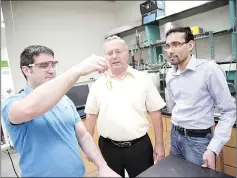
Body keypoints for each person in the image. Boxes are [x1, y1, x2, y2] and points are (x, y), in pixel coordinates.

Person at [1, 45, 121, 177]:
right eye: (44, 65)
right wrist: (77, 70)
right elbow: (30, 109)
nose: (51, 70)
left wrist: (103, 167)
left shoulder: (64, 100)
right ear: (26, 70)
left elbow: (84, 136)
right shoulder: (13, 103)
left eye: (53, 65)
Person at [85, 36, 166, 178]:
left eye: (118, 51)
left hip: (139, 147)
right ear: (105, 57)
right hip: (108, 147)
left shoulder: (143, 79)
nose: (114, 56)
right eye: (110, 53)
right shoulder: (98, 84)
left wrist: (159, 144)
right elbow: (91, 116)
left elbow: (155, 112)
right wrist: (88, 148)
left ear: (127, 53)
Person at [164, 27, 236, 170]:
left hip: (198, 140)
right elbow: (177, 106)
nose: (170, 50)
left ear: (190, 45)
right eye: (167, 46)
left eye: (176, 44)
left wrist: (213, 148)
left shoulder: (209, 70)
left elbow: (229, 111)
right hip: (175, 135)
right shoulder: (170, 75)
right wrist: (172, 136)